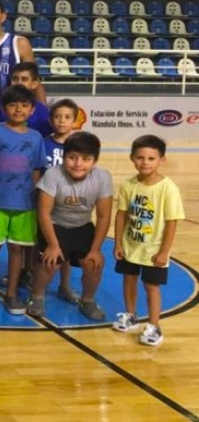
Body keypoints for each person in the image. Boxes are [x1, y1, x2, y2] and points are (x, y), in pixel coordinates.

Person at [26, 132, 113, 320]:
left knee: (94, 264)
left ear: (95, 161)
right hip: (55, 224)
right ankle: (37, 296)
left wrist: (96, 249)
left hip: (82, 225)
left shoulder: (103, 177)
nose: (78, 164)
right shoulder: (53, 174)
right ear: (64, 157)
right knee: (50, 262)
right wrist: (53, 245)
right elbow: (43, 212)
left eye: (86, 159)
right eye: (72, 158)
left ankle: (87, 301)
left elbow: (104, 216)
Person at [0, 85, 47, 314]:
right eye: (13, 104)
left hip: (25, 204)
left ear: (32, 110)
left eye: (24, 105)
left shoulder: (36, 138)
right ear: (4, 108)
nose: (19, 109)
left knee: (18, 250)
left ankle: (12, 293)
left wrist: (36, 199)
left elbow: (37, 170)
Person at [112, 135, 184, 346]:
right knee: (128, 279)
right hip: (130, 245)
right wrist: (118, 242)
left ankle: (154, 327)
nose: (145, 162)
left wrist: (164, 251)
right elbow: (121, 215)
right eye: (140, 157)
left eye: (151, 158)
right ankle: (130, 315)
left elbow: (172, 222)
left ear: (162, 160)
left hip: (154, 250)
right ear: (132, 158)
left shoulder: (167, 188)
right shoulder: (128, 185)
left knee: (151, 286)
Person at [43, 98, 81, 302]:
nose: (62, 121)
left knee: (67, 248)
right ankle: (31, 275)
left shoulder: (79, 146)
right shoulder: (43, 143)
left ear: (75, 121)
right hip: (46, 202)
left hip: (69, 204)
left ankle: (64, 285)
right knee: (40, 244)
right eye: (57, 117)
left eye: (67, 117)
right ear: (50, 120)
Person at [0, 62, 52, 135]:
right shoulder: (1, 106)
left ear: (34, 84)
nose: (19, 83)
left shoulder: (42, 111)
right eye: (15, 79)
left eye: (24, 79)